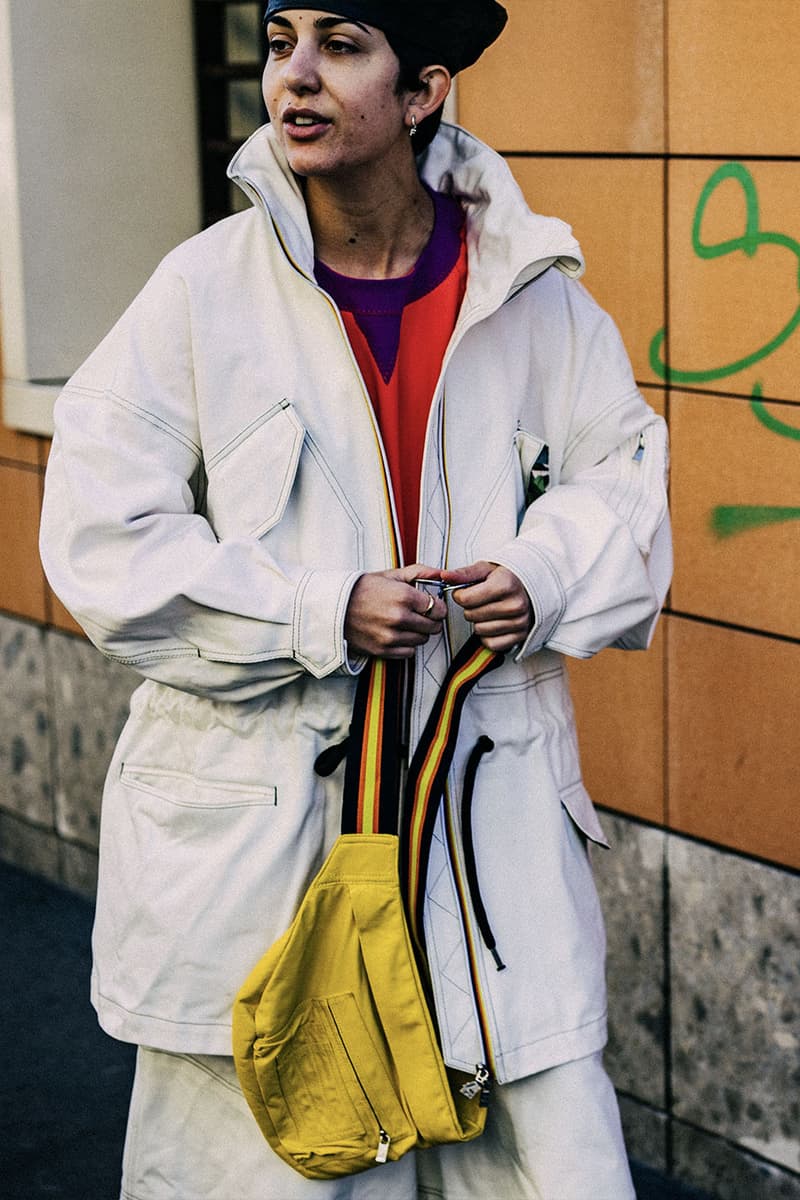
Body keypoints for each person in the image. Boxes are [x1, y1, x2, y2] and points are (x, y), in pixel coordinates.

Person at [39, 2, 672, 1197]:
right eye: (280, 42)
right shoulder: (201, 292)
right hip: (262, 851)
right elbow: (97, 536)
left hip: (481, 849)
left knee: (521, 1158)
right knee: (269, 1164)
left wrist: (539, 576)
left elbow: (626, 480)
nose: (295, 76)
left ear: (422, 88)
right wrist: (314, 612)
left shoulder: (530, 293)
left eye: (340, 45)